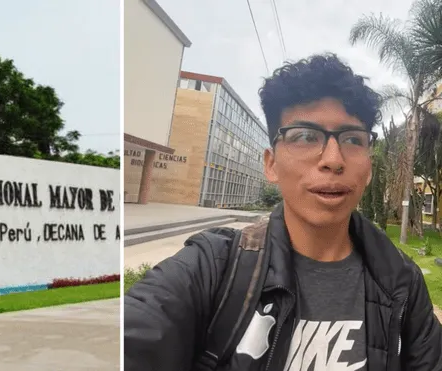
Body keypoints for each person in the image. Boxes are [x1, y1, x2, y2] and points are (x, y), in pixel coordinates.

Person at [124, 54, 442, 371]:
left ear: (369, 167)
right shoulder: (216, 269)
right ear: (271, 164)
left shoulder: (402, 282)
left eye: (353, 139)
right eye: (305, 136)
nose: (333, 159)